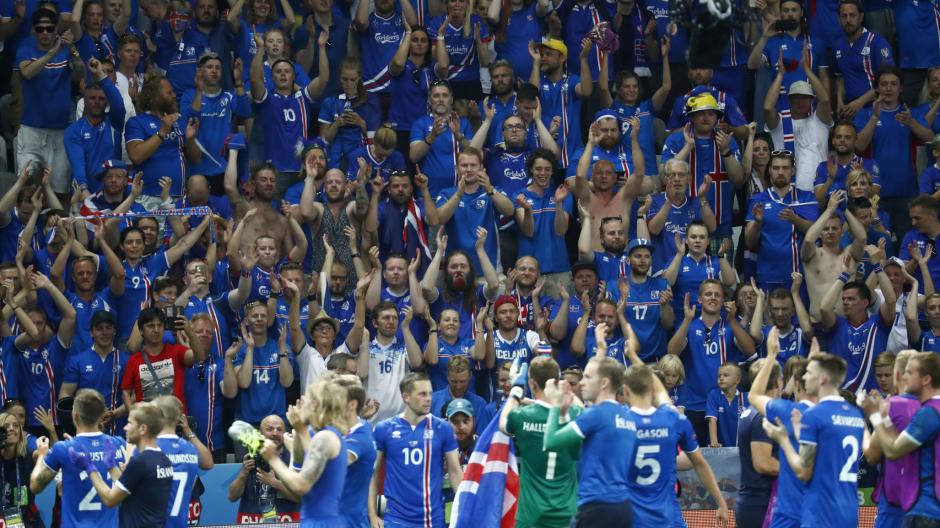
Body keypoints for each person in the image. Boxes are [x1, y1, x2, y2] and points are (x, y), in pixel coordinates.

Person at [763, 352, 866, 528]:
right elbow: (828, 454)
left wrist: (784, 440)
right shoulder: (855, 414)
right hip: (849, 511)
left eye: (809, 373)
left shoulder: (814, 415)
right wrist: (800, 435)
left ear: (822, 378)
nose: (804, 377)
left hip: (821, 513)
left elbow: (804, 471)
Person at [623, 364, 730, 528]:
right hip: (668, 517)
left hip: (632, 516)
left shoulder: (619, 423)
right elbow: (699, 463)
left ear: (625, 390)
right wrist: (720, 501)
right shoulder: (674, 419)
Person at [541, 356, 637, 526]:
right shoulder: (627, 417)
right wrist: (564, 414)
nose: (582, 383)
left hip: (596, 507)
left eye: (587, 377)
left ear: (604, 383)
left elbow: (550, 442)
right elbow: (575, 454)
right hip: (623, 506)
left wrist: (555, 404)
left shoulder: (596, 414)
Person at [369, 373, 464, 528]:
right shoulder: (384, 429)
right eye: (422, 394)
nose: (428, 399)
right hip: (396, 520)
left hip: (432, 520)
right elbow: (373, 474)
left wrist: (464, 511)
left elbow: (455, 472)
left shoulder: (443, 428)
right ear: (406, 397)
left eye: (430, 393)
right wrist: (373, 515)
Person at [668, 279, 756, 441]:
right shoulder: (689, 325)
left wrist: (732, 321)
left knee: (724, 454)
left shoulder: (731, 325)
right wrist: (687, 320)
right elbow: (671, 353)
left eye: (717, 295)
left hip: (724, 405)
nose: (713, 297)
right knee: (694, 454)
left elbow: (751, 352)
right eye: (708, 294)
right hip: (693, 403)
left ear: (723, 300)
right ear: (700, 299)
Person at [499, 356, 580, 528]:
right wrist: (562, 390)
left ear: (532, 383)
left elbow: (503, 422)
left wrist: (516, 389)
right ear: (557, 382)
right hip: (567, 515)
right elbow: (580, 407)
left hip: (531, 516)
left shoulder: (522, 416)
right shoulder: (575, 415)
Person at [855, 66, 935, 236]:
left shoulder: (911, 114)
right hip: (875, 194)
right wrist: (874, 118)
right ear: (877, 88)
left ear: (901, 88)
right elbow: (859, 146)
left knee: (907, 243)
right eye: (884, 84)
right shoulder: (865, 114)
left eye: (893, 84)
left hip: (907, 193)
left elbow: (929, 138)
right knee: (880, 243)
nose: (889, 88)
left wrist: (911, 123)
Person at [261, 378, 349, 528]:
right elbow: (296, 479)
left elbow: (301, 486)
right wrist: (299, 428)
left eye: (305, 398)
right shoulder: (322, 435)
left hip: (324, 523)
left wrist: (273, 459)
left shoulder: (325, 437)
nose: (300, 402)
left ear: (314, 404)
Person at [30, 389, 125, 528]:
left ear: (74, 416)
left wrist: (42, 455)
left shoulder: (63, 449)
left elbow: (35, 486)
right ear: (102, 415)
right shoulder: (119, 444)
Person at [16, 9, 83, 199]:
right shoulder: (26, 47)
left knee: (60, 189)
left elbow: (79, 74)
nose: (45, 32)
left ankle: (57, 219)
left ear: (56, 29)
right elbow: (27, 73)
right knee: (25, 183)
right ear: (34, 30)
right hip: (31, 131)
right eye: (40, 29)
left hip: (60, 131)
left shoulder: (67, 49)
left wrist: (72, 49)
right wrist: (52, 52)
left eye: (49, 28)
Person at [79, 403, 175, 528]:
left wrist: (89, 467)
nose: (125, 428)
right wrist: (111, 466)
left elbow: (110, 499)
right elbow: (130, 492)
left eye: (129, 423)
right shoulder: (164, 460)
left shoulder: (140, 462)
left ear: (142, 429)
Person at [819, 245, 895, 391]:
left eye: (851, 299)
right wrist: (844, 275)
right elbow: (824, 308)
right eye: (844, 299)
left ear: (865, 303)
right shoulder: (837, 325)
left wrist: (877, 266)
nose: (845, 302)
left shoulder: (877, 323)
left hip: (872, 397)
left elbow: (891, 300)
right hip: (842, 397)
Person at [13, 269, 77, 436]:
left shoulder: (56, 347)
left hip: (54, 423)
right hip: (22, 425)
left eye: (39, 323)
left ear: (46, 325)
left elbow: (71, 315)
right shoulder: (15, 349)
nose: (35, 327)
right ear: (21, 325)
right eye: (30, 323)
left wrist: (48, 285)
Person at [763, 46, 833, 192]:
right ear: (789, 100)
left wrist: (806, 69)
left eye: (805, 98)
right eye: (796, 98)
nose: (800, 102)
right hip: (786, 192)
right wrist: (780, 75)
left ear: (812, 100)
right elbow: (768, 108)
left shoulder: (820, 120)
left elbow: (825, 99)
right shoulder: (780, 122)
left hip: (818, 191)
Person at [59, 311, 129, 437]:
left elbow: (133, 397)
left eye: (108, 328)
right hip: (85, 430)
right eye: (99, 328)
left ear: (114, 331)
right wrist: (82, 416)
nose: (104, 332)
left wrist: (114, 414)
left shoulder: (126, 361)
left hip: (117, 431)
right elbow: (65, 395)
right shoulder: (77, 361)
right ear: (91, 332)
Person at [121, 307, 206, 411]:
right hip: (147, 419)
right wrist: (132, 413)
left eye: (160, 325)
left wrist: (190, 333)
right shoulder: (134, 360)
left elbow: (200, 356)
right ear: (141, 330)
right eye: (151, 326)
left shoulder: (177, 352)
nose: (156, 330)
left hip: (175, 419)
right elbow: (125, 392)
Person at [65, 58, 127, 197]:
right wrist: (83, 190)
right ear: (85, 101)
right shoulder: (74, 130)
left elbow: (118, 104)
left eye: (101, 98)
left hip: (113, 193)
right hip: (85, 194)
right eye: (92, 98)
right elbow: (77, 162)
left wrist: (101, 75)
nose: (97, 102)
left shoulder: (114, 122)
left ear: (106, 102)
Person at [528, 38, 593, 169]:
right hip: (544, 161)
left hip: (572, 157)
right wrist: (535, 63)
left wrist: (583, 59)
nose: (543, 58)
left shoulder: (572, 81)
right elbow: (531, 95)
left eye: (548, 54)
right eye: (542, 55)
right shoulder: (539, 81)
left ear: (562, 58)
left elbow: (586, 91)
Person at [153, 395, 213, 528]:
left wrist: (187, 430)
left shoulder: (150, 447)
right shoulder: (188, 448)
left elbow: (208, 463)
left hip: (182, 510)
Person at [357, 302, 423, 423]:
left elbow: (417, 363)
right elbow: (361, 374)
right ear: (375, 323)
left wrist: (405, 328)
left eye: (395, 318)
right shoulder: (366, 348)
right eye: (386, 318)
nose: (391, 321)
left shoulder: (404, 348)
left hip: (400, 422)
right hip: (371, 421)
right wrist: (365, 342)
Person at [227, 415, 300, 523]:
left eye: (279, 429)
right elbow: (232, 497)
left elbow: (300, 497)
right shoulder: (252, 457)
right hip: (251, 522)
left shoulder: (293, 458)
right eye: (270, 429)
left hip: (286, 522)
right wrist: (243, 474)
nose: (275, 433)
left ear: (285, 433)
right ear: (260, 433)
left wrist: (274, 483)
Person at [234, 301, 296, 424]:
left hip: (276, 421)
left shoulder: (280, 347)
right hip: (248, 423)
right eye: (254, 316)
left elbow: (287, 382)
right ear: (246, 321)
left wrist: (282, 349)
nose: (259, 319)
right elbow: (244, 383)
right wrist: (250, 348)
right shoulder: (239, 349)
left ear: (268, 320)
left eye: (263, 316)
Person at [734, 359, 779, 528]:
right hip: (761, 504)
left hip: (752, 501)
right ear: (777, 382)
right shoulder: (763, 416)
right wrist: (798, 468)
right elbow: (763, 463)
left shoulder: (750, 412)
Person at [832, 0, 893, 119]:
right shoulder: (837, 45)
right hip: (849, 110)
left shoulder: (877, 43)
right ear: (839, 19)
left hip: (875, 108)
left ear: (861, 17)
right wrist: (839, 101)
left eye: (852, 15)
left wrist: (860, 102)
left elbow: (888, 81)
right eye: (844, 16)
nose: (848, 20)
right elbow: (840, 77)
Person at [705, 362, 745, 447]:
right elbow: (712, 420)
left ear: (737, 380)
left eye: (726, 375)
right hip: (719, 448)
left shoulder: (745, 398)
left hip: (740, 448)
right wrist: (714, 443)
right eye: (719, 376)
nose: (721, 378)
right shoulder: (714, 395)